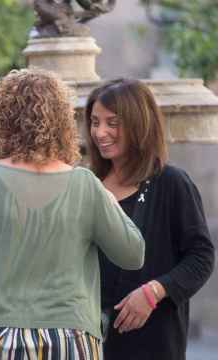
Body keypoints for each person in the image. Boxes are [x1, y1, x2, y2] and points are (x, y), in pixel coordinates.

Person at [0, 69, 146, 359]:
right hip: (70, 339)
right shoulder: (85, 185)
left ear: (2, 119)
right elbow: (133, 253)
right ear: (63, 120)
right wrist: (108, 198)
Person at [85, 79, 215, 360]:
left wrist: (155, 291)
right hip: (91, 342)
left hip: (155, 343)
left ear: (138, 123)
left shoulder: (172, 183)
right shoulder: (88, 184)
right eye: (95, 122)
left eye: (112, 122)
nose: (100, 132)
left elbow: (201, 257)